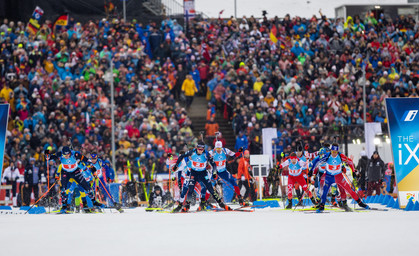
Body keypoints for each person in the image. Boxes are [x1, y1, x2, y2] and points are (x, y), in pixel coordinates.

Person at [172, 141, 231, 212]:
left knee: (210, 188)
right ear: (196, 148)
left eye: (202, 149)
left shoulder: (206, 154)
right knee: (190, 189)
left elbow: (214, 164)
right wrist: (176, 166)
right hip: (194, 173)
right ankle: (187, 205)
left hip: (203, 173)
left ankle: (221, 203)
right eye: (199, 149)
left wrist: (214, 172)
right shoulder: (192, 152)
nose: (200, 151)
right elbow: (181, 156)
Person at [309, 143, 369, 212]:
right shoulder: (327, 156)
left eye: (335, 152)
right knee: (324, 191)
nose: (334, 153)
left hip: (339, 176)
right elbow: (317, 161)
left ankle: (360, 203)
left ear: (337, 151)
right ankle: (322, 206)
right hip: (329, 176)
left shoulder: (340, 156)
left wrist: (353, 172)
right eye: (332, 152)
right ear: (330, 150)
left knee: (349, 189)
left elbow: (350, 162)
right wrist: (311, 170)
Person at [45, 146, 104, 213]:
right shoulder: (60, 154)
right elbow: (50, 157)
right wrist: (47, 155)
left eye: (67, 155)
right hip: (65, 172)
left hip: (75, 171)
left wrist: (91, 164)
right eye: (65, 155)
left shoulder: (75, 154)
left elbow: (84, 158)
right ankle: (64, 205)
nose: (66, 156)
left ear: (70, 153)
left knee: (86, 186)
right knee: (63, 189)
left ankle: (94, 202)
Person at [209, 141, 246, 206]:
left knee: (233, 182)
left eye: (219, 148)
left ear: (221, 147)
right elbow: (204, 157)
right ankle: (205, 202)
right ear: (215, 148)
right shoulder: (212, 152)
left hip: (223, 171)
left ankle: (240, 198)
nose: (218, 150)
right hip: (215, 172)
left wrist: (240, 151)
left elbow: (235, 155)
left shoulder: (225, 150)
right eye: (217, 149)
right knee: (209, 186)